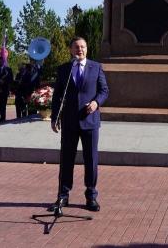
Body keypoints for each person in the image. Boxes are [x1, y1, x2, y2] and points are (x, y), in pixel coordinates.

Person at [49, 37, 109, 213]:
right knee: (66, 160)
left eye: (82, 47)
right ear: (71, 50)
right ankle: (63, 196)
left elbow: (104, 90)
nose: (80, 50)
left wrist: (96, 103)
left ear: (87, 49)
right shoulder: (64, 70)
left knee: (91, 160)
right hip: (69, 122)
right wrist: (54, 118)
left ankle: (91, 196)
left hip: (90, 122)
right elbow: (57, 96)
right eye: (76, 47)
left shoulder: (96, 67)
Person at [0, 56, 12, 123]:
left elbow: (10, 80)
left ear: (3, 61)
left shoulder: (8, 69)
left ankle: (3, 119)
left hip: (4, 91)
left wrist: (4, 82)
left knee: (3, 106)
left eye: (0, 61)